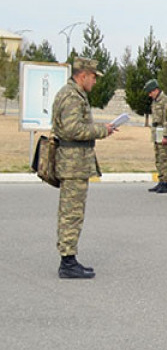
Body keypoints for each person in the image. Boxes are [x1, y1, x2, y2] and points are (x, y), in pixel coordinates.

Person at [52, 57, 114, 279]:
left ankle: (69, 258)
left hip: (74, 163)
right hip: (73, 163)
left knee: (72, 213)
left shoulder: (74, 94)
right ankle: (67, 262)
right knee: (72, 214)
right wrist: (101, 130)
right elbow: (72, 130)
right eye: (94, 77)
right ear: (83, 75)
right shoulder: (71, 96)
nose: (95, 81)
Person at [145, 79, 167, 193]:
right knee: (158, 157)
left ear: (156, 90)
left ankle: (165, 182)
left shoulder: (165, 101)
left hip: (162, 129)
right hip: (156, 130)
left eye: (151, 92)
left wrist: (166, 135)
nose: (149, 95)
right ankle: (160, 180)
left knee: (163, 157)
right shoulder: (155, 101)